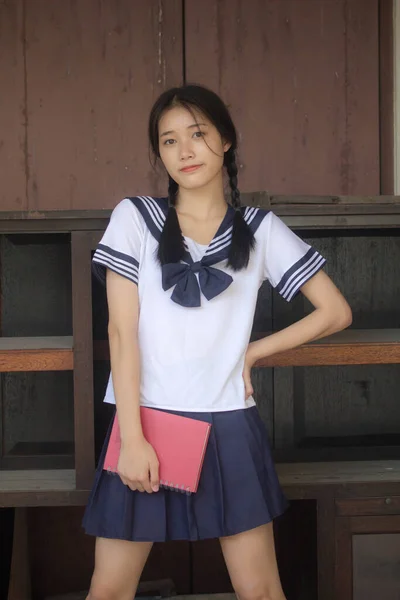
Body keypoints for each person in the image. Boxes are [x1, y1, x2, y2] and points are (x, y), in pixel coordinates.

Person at [83, 84, 352, 600]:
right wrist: (133, 439)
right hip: (147, 421)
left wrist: (254, 351)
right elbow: (121, 332)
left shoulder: (260, 229)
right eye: (169, 141)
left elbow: (335, 311)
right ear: (158, 153)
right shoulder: (135, 218)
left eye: (198, 134)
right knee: (110, 590)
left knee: (261, 590)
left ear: (226, 140)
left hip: (229, 422)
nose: (184, 151)